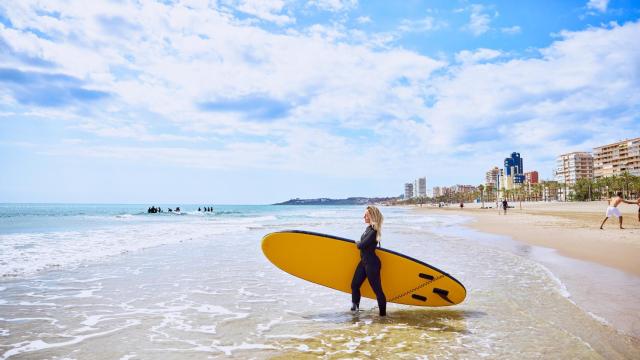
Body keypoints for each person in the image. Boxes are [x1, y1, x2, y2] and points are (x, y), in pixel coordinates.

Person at [350, 205, 387, 316]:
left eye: (366, 215)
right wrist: (359, 243)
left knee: (377, 291)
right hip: (364, 262)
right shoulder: (368, 229)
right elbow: (362, 244)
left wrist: (358, 243)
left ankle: (383, 316)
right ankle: (354, 311)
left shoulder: (374, 231)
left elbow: (362, 245)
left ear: (371, 215)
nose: (364, 216)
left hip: (372, 264)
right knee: (354, 285)